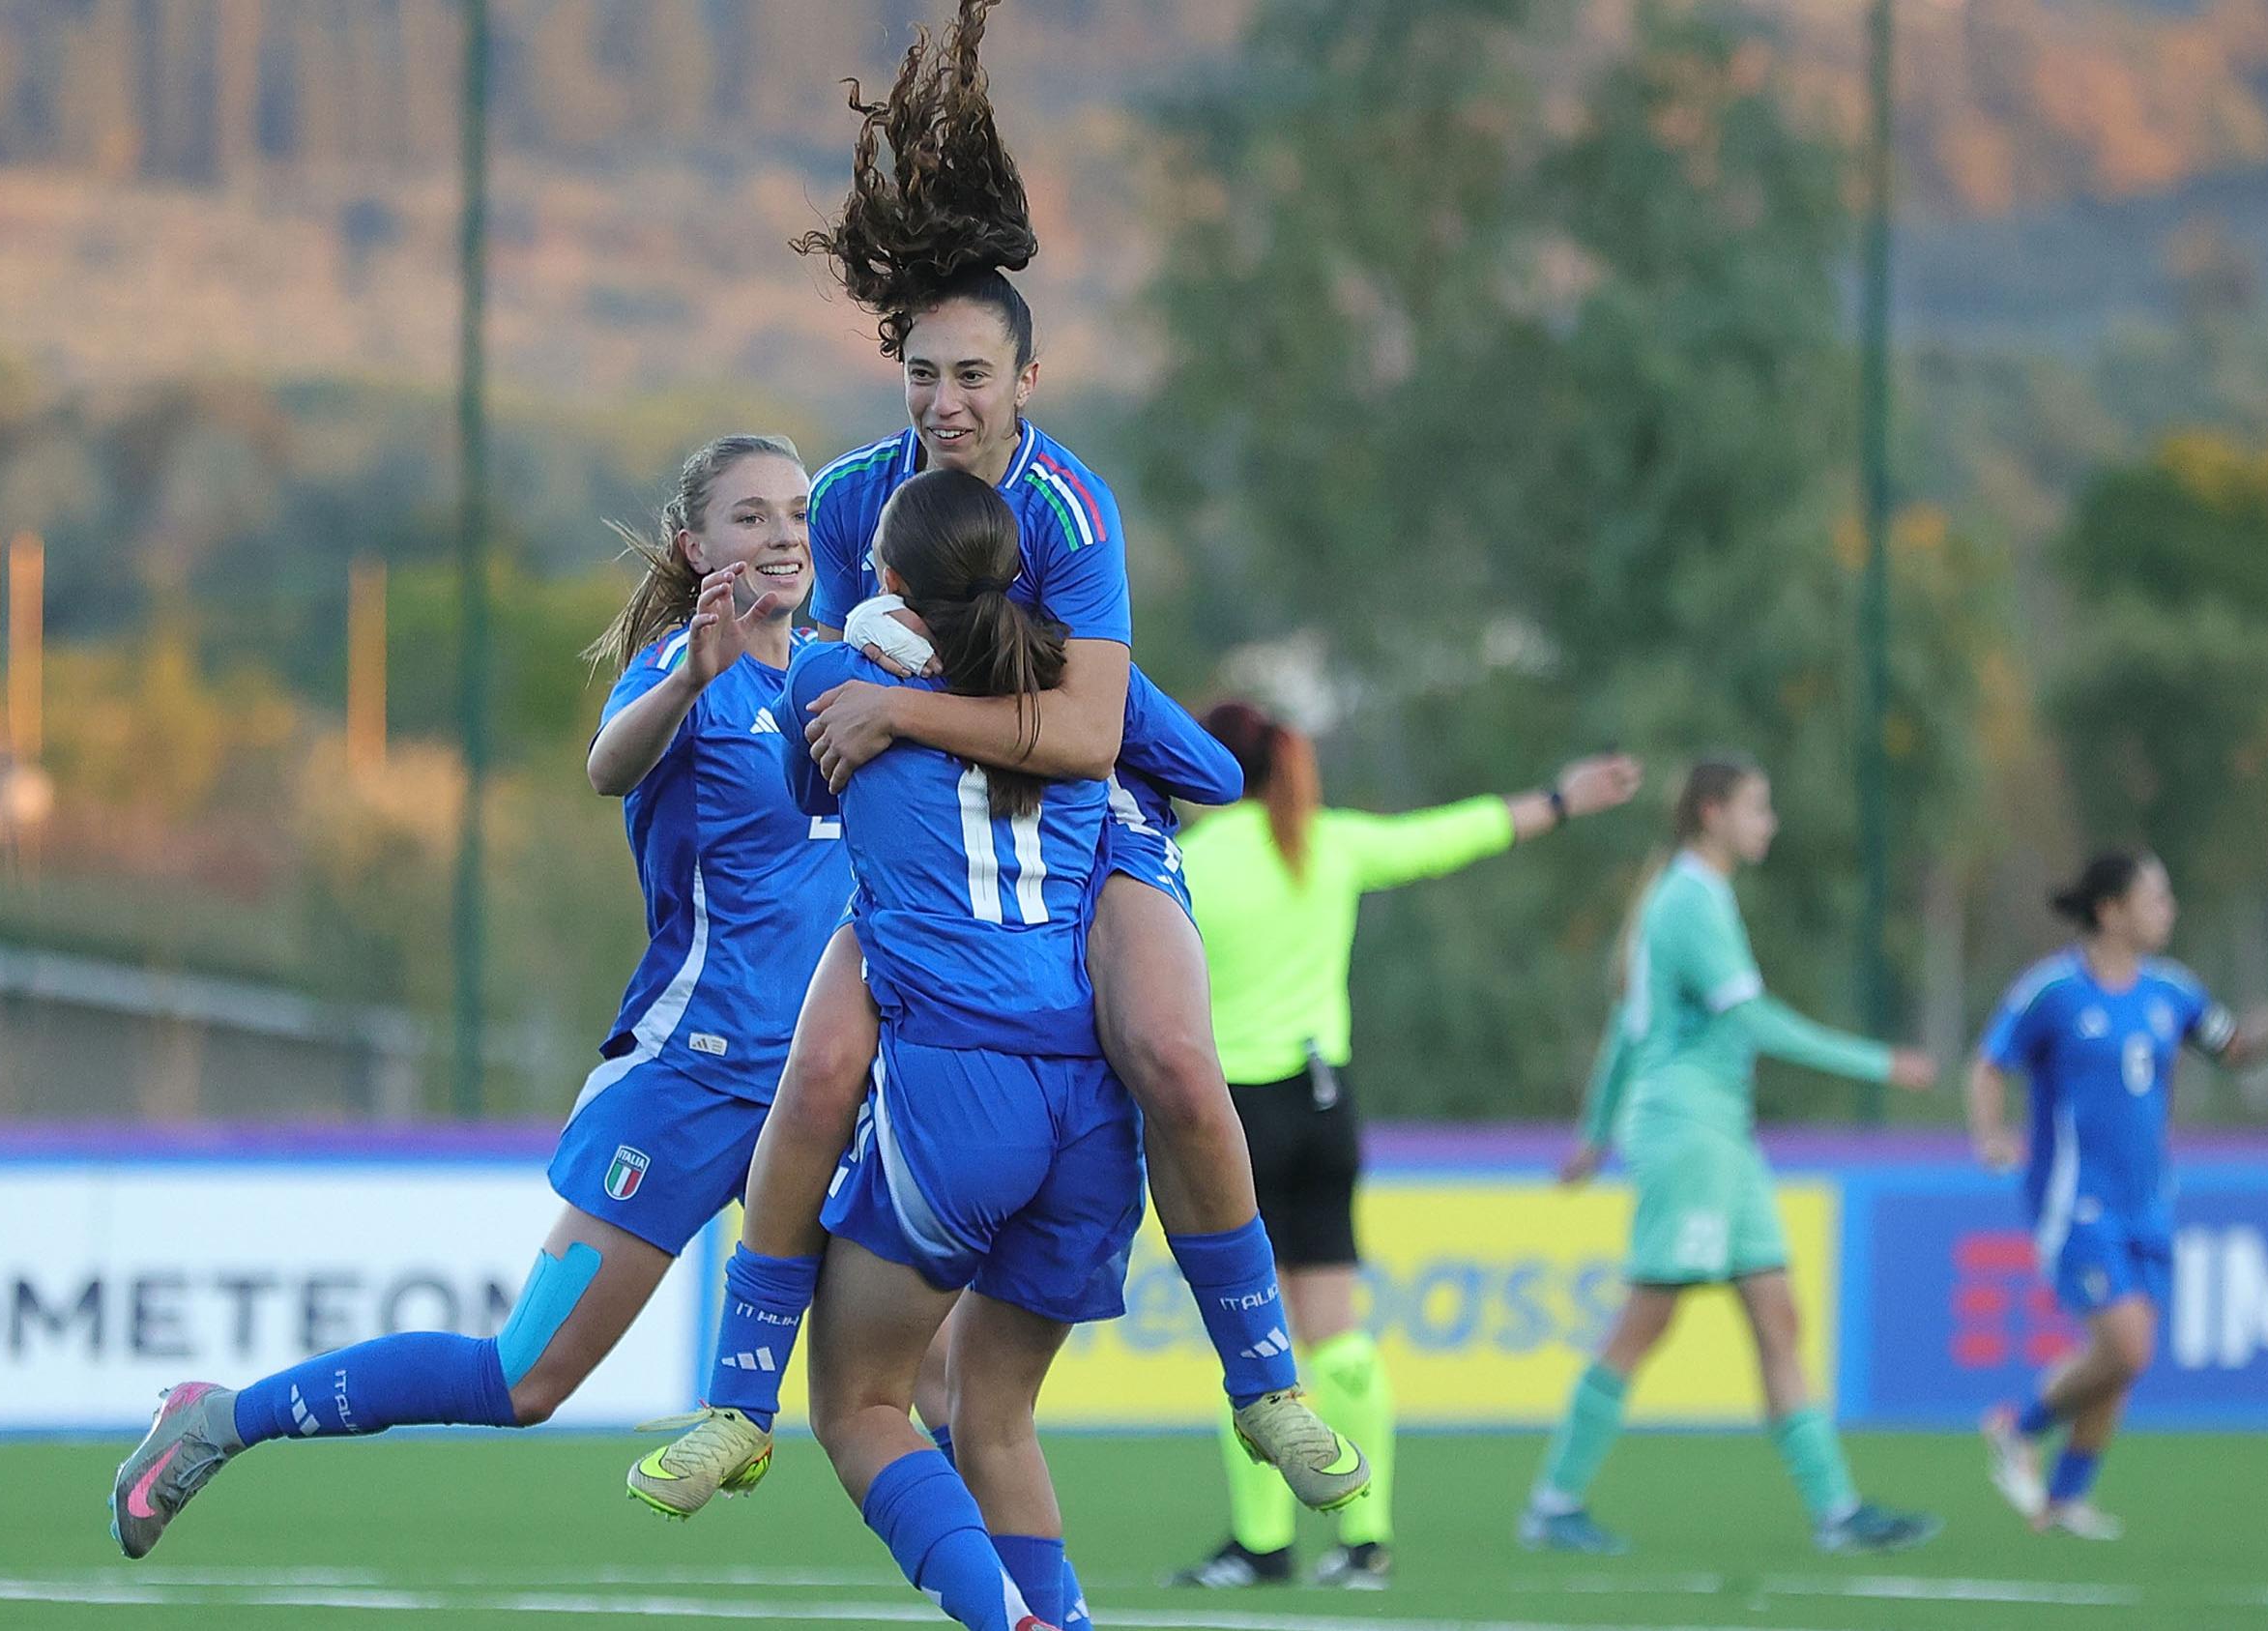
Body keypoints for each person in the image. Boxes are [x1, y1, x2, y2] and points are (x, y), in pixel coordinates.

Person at [637, 0, 1364, 1523]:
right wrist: (851, 727)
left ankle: (1265, 1381)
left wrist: (901, 713)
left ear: (1028, 383)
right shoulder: (850, 501)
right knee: (820, 1068)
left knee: (1174, 1053)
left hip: (1096, 825)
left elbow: (1094, 738)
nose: (943, 402)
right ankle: (730, 1405)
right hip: (940, 846)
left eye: (972, 374)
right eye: (920, 374)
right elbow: (847, 702)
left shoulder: (1075, 510)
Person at [108, 435, 852, 1559]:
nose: (784, 533)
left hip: (823, 1080)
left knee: (918, 1376)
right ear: (699, 545)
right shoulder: (681, 672)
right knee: (525, 1378)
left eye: (796, 512)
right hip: (692, 1077)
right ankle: (216, 1421)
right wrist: (694, 675)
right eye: (752, 517)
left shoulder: (841, 675)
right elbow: (607, 764)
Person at [1167, 703, 1643, 1589]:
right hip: (1324, 1106)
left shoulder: (1189, 862)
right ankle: (1366, 1539)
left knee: (1249, 1338)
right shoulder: (1327, 843)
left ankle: (1262, 1544)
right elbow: (1451, 835)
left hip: (1234, 1117)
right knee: (1337, 1336)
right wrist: (1560, 799)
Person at [782, 467, 1139, 1631]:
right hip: (1093, 1105)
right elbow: (1208, 769)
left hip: (965, 1089)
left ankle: (1012, 1623)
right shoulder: (1074, 713)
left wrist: (872, 652)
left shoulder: (836, 673)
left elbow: (805, 784)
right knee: (993, 1414)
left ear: (884, 580)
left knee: (860, 1401)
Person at [1521, 756, 1940, 1557]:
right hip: (1688, 1131)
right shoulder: (1688, 902)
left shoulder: (1689, 896)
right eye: (1758, 807)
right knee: (1649, 1318)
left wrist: (1595, 1133)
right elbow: (1759, 1024)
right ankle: (1553, 1501)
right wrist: (1881, 1064)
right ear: (1713, 813)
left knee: (1778, 1314)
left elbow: (1625, 1026)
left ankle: (1837, 1510)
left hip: (1723, 1134)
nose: (1769, 822)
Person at [1967, 850, 2268, 1539]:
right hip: (2075, 1201)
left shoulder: (2173, 990)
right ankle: (2018, 1429)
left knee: (2123, 1364)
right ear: (2111, 910)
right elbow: (1989, 1062)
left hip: (2149, 1200)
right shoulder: (2054, 991)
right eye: (2156, 897)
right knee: (2125, 1347)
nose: (2170, 909)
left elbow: (2238, 1049)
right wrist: (1989, 1134)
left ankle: (2064, 1500)